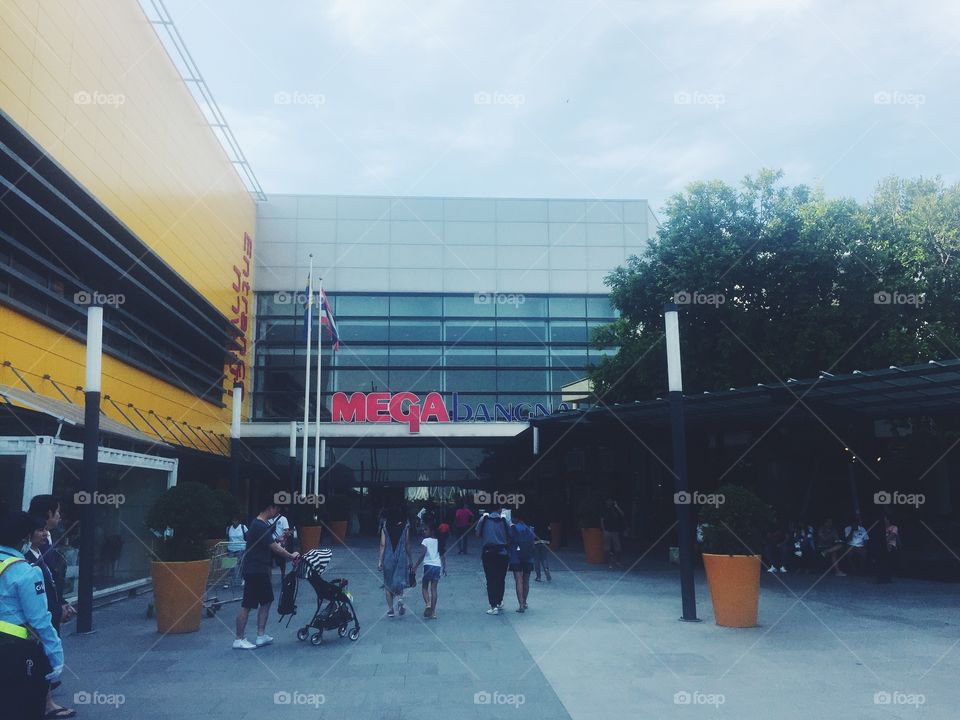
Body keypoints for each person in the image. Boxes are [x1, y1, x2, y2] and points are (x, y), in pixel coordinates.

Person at [0, 510, 64, 719]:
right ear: (24, 539)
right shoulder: (27, 572)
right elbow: (40, 621)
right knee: (22, 708)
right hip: (15, 651)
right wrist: (56, 656)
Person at [27, 495, 75, 719]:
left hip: (50, 606)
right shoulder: (31, 546)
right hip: (41, 610)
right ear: (48, 514)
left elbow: (51, 578)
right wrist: (55, 608)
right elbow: (41, 581)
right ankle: (45, 703)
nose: (59, 516)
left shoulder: (43, 541)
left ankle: (46, 699)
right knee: (42, 652)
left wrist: (61, 603)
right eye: (57, 512)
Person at [233, 496, 299, 649]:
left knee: (267, 600)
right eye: (276, 509)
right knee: (247, 604)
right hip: (255, 569)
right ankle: (239, 638)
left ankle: (261, 635)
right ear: (270, 508)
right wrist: (291, 556)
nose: (277, 512)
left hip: (260, 569)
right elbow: (274, 547)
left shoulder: (260, 525)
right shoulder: (259, 525)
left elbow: (273, 543)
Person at [378, 508, 412, 618]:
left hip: (388, 557)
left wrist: (380, 561)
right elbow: (407, 544)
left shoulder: (385, 526)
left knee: (388, 583)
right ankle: (400, 600)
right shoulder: (405, 526)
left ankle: (390, 610)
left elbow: (382, 545)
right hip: (401, 557)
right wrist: (410, 559)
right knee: (400, 581)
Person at [477, 509, 510, 615]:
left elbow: (477, 534)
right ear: (500, 510)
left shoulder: (483, 519)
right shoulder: (505, 520)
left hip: (488, 553)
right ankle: (499, 601)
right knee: (501, 579)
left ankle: (493, 606)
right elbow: (510, 535)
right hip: (503, 553)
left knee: (490, 579)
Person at [411, 522, 443, 619]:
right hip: (437, 566)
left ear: (431, 531)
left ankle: (428, 604)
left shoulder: (425, 541)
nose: (423, 531)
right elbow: (442, 555)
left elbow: (422, 555)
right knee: (434, 589)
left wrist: (415, 566)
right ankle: (433, 612)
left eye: (426, 529)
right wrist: (445, 567)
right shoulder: (439, 541)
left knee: (424, 587)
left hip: (428, 566)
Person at [508, 510, 536, 612]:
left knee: (518, 580)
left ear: (516, 518)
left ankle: (520, 605)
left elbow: (509, 542)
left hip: (516, 557)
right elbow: (533, 544)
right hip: (528, 558)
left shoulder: (512, 529)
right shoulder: (530, 529)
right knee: (526, 580)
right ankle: (524, 602)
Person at [601, 498, 625, 569]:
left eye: (611, 501)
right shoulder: (604, 510)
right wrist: (603, 529)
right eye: (608, 501)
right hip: (607, 530)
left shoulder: (615, 509)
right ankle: (609, 563)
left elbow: (622, 514)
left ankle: (617, 561)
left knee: (618, 547)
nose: (609, 502)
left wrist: (617, 506)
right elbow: (602, 520)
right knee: (607, 548)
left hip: (615, 531)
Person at [225, 514, 247, 587]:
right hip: (231, 548)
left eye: (236, 520)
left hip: (241, 548)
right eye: (233, 520)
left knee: (241, 564)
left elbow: (248, 536)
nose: (234, 522)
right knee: (229, 565)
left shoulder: (243, 527)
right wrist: (226, 548)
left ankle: (243, 579)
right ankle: (228, 581)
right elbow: (227, 538)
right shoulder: (228, 528)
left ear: (238, 521)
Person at [271, 510, 291, 577]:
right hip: (269, 543)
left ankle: (283, 576)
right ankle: (268, 578)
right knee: (268, 563)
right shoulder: (267, 519)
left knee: (281, 562)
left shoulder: (283, 519)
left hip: (279, 544)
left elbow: (287, 532)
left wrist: (283, 537)